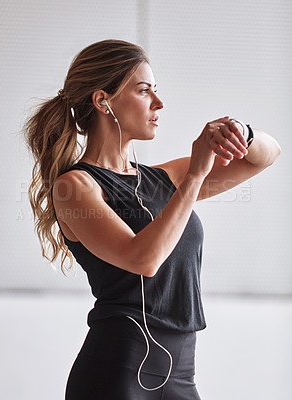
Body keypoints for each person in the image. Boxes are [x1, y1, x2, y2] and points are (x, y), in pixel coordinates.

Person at [23, 39, 281, 399]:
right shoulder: (76, 185)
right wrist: (194, 177)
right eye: (144, 91)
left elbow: (265, 156)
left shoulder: (164, 178)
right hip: (117, 371)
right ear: (103, 101)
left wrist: (241, 131)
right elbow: (143, 259)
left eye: (157, 91)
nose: (159, 103)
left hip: (181, 374)